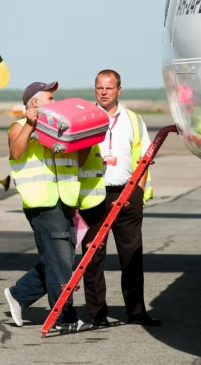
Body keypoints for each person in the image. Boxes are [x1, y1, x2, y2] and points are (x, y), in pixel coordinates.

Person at [3, 81, 94, 332]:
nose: (55, 102)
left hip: (66, 200)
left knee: (58, 260)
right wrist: (30, 125)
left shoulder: (61, 129)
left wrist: (85, 138)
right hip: (42, 202)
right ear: (35, 103)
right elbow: (17, 152)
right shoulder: (19, 127)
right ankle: (63, 318)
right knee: (61, 261)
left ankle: (19, 295)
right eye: (50, 98)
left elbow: (80, 161)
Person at [78, 69, 162, 328]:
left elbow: (144, 159)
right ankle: (97, 314)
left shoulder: (134, 120)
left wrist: (137, 191)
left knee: (132, 256)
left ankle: (137, 312)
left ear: (119, 90)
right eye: (99, 87)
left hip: (128, 194)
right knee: (93, 258)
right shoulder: (84, 119)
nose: (103, 92)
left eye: (109, 88)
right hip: (94, 195)